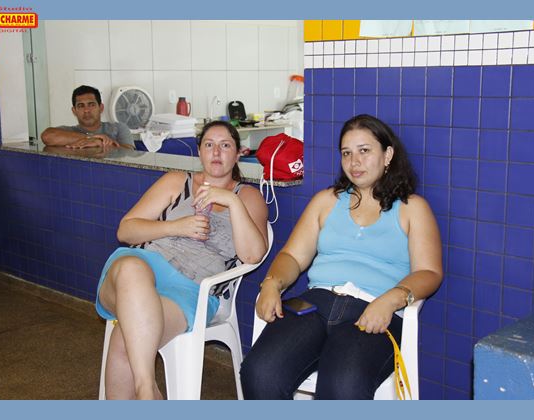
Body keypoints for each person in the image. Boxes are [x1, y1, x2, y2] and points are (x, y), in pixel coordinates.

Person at [241, 114, 443, 400]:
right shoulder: (326, 201)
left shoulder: (412, 208)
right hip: (315, 304)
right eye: (347, 153)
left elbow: (429, 272)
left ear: (387, 155)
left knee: (342, 384)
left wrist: (392, 299)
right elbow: (292, 256)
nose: (354, 162)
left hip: (373, 311)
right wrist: (272, 283)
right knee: (259, 372)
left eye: (364, 151)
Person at [96, 120, 269, 400]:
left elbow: (253, 255)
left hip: (190, 290)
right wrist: (176, 227)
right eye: (209, 145)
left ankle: (146, 390)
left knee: (125, 340)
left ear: (239, 153)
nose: (216, 152)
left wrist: (231, 201)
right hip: (142, 269)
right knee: (130, 267)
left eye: (225, 145)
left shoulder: (248, 197)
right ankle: (146, 391)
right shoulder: (177, 181)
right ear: (199, 151)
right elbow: (125, 230)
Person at [41, 85, 134, 149]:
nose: (86, 110)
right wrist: (92, 139)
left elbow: (129, 153)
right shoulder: (68, 132)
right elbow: (47, 136)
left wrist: (100, 143)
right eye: (81, 106)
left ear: (101, 108)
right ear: (74, 111)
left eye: (91, 105)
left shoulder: (118, 128)